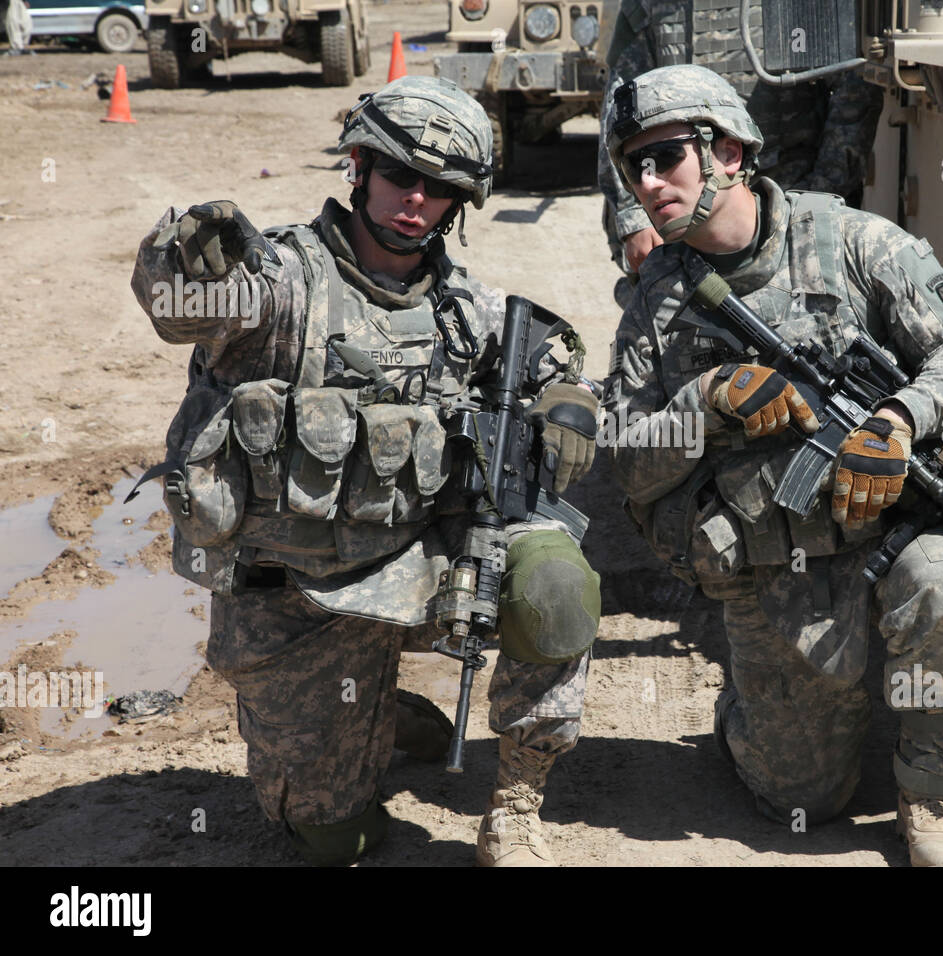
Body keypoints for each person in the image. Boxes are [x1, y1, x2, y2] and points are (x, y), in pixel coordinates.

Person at [129, 76, 602, 867]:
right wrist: (182, 259)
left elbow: (561, 364)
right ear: (359, 166)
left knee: (554, 582)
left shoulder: (464, 309)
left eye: (442, 189)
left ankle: (517, 804)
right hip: (296, 593)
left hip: (416, 562)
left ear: (462, 204)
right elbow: (178, 305)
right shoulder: (282, 280)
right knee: (333, 838)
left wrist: (569, 405)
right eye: (400, 176)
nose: (416, 200)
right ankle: (376, 711)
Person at [602, 64, 943, 866]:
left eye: (666, 159)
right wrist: (711, 399)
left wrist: (896, 422)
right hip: (776, 557)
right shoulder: (656, 300)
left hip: (894, 531)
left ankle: (936, 792)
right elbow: (625, 457)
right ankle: (755, 708)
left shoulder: (855, 243)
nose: (648, 184)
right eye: (634, 168)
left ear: (728, 150)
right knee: (800, 798)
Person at [597, 0, 882, 304]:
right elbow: (621, 107)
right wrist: (632, 218)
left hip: (793, 194)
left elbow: (853, 90)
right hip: (684, 217)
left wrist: (823, 190)